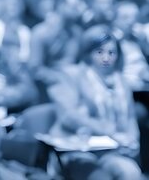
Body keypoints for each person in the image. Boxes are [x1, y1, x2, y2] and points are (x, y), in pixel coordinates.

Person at [49, 25, 143, 180]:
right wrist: (110, 131)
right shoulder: (71, 75)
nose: (106, 58)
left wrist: (132, 140)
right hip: (78, 149)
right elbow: (68, 116)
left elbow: (130, 117)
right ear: (88, 52)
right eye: (99, 52)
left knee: (131, 173)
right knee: (99, 177)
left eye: (111, 53)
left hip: (112, 151)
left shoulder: (121, 81)